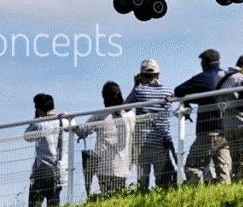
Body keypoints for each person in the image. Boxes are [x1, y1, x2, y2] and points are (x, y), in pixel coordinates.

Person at [174, 49, 231, 184]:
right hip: (227, 130)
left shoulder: (203, 78)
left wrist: (190, 99)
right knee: (224, 171)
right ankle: (227, 195)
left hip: (208, 130)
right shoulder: (228, 77)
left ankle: (192, 193)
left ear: (204, 63)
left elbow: (179, 90)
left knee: (191, 166)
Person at [75, 82, 136, 197]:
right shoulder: (131, 116)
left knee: (107, 196)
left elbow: (83, 132)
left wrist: (72, 125)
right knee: (119, 197)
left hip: (104, 166)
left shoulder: (100, 115)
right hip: (124, 165)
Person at [125, 59, 176, 191]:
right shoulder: (168, 91)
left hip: (142, 142)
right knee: (163, 180)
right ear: (158, 75)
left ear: (141, 76)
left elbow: (125, 107)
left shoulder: (139, 91)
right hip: (161, 140)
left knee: (143, 181)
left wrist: (136, 84)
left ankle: (142, 203)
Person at [23, 93, 68, 207]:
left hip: (42, 170)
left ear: (38, 109)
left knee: (34, 205)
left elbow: (27, 137)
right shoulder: (64, 121)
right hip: (59, 170)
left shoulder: (39, 125)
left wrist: (35, 119)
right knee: (54, 204)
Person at [216, 54, 243, 182]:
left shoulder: (224, 79)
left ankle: (236, 187)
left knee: (235, 162)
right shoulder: (242, 79)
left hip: (228, 126)